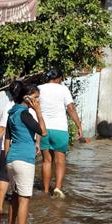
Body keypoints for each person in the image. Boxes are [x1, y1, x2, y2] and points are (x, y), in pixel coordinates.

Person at [5, 82, 47, 224]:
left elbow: (8, 138)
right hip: (24, 161)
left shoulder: (12, 113)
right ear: (27, 98)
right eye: (36, 98)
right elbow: (43, 131)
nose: (38, 101)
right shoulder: (25, 114)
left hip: (12, 159)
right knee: (24, 200)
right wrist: (39, 112)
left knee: (15, 196)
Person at [38, 69, 84, 198]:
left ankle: (45, 191)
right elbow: (70, 108)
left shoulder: (39, 89)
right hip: (60, 129)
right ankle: (57, 188)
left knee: (46, 161)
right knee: (60, 161)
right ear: (58, 78)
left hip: (43, 130)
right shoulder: (63, 89)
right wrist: (79, 126)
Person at [0, 81, 18, 214]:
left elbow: (2, 127)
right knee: (16, 178)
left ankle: (0, 205)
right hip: (22, 148)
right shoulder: (29, 106)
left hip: (8, 147)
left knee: (4, 176)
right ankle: (13, 206)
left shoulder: (9, 106)